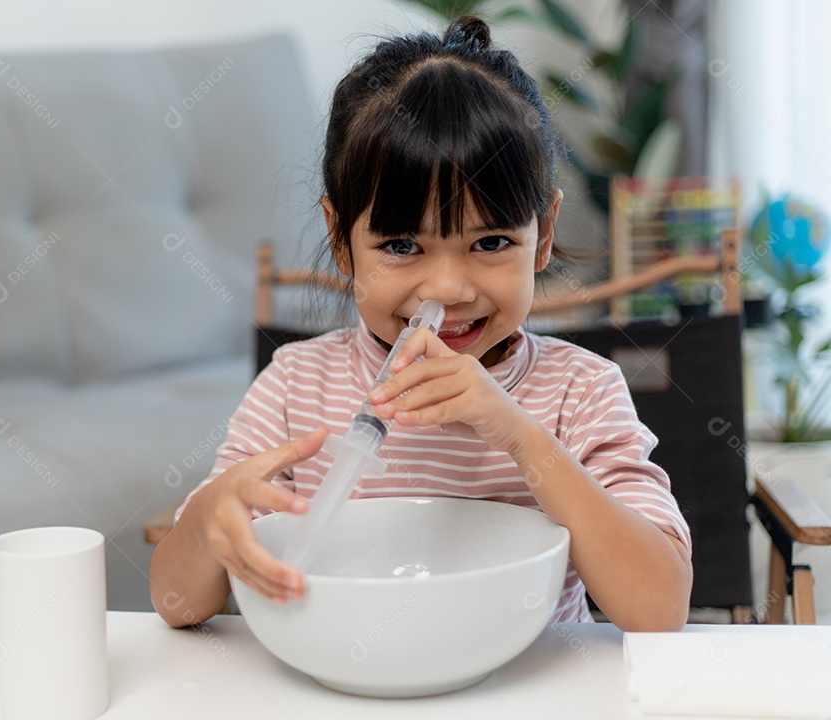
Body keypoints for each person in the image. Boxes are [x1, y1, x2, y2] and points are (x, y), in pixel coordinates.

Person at [150, 14, 692, 632]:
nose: (448, 289)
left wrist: (524, 438)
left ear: (543, 235)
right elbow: (175, 604)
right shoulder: (294, 384)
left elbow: (660, 609)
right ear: (340, 237)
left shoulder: (579, 394)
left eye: (489, 242)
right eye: (403, 246)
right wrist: (208, 520)